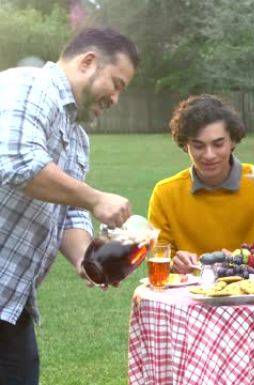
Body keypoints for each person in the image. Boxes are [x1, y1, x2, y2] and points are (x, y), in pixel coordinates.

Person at [0, 28, 139, 385]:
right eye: (117, 83)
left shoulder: (77, 137)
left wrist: (85, 260)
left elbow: (70, 212)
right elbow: (18, 164)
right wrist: (96, 197)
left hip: (12, 300)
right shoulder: (29, 86)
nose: (116, 98)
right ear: (88, 62)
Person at [148, 94, 254, 273]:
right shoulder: (165, 193)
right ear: (186, 145)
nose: (209, 155)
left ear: (232, 140)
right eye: (198, 146)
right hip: (191, 293)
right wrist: (174, 264)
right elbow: (159, 259)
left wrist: (249, 262)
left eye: (218, 144)